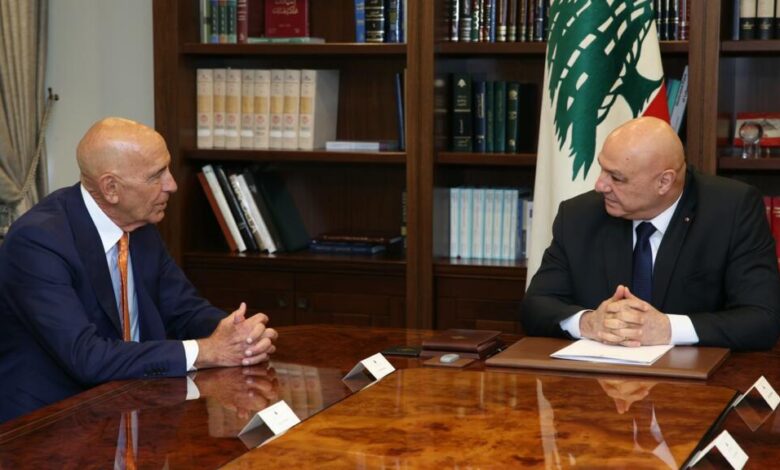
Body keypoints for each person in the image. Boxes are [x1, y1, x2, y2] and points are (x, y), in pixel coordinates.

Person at [0, 117, 278, 423]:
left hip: (135, 404)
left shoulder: (139, 224)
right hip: (51, 422)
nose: (172, 185)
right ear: (111, 188)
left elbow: (184, 310)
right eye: (157, 175)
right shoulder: (38, 242)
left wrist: (237, 334)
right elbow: (87, 357)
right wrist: (207, 351)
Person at [521, 116, 780, 351]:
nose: (600, 185)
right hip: (600, 378)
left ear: (664, 182)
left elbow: (762, 319)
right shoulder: (579, 215)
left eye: (616, 178)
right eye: (602, 168)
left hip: (695, 380)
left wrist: (667, 329)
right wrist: (589, 322)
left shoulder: (731, 210)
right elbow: (536, 306)